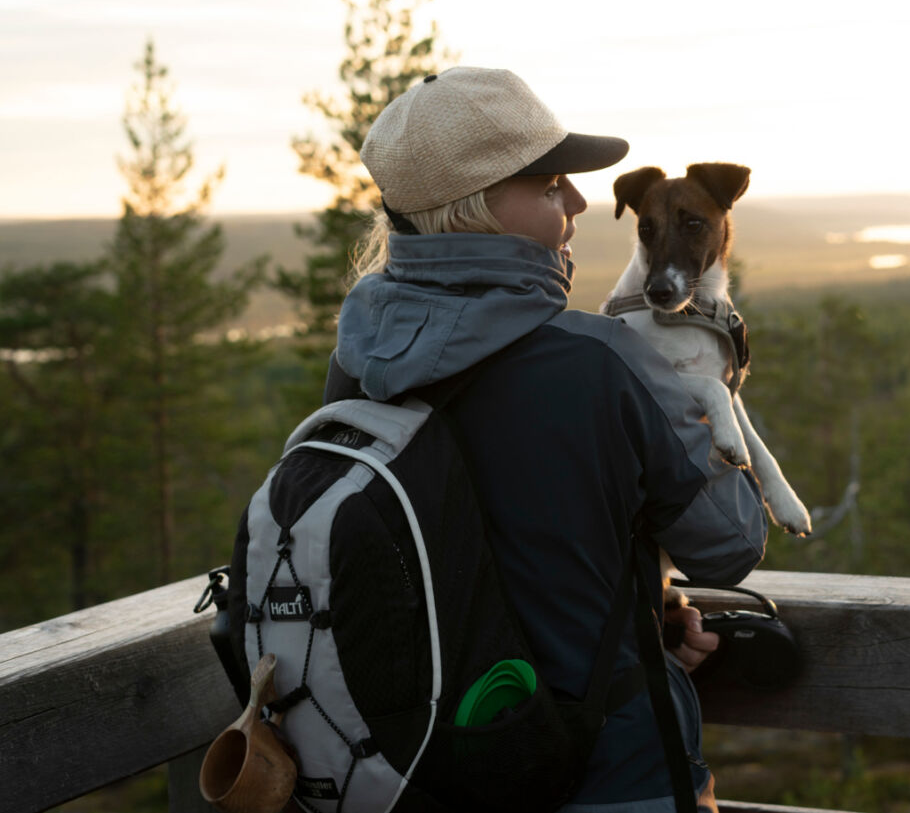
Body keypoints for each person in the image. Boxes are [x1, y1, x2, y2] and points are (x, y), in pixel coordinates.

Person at [324, 66, 767, 812]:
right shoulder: (602, 357)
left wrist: (627, 602)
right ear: (476, 209)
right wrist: (709, 393)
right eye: (551, 183)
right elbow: (730, 544)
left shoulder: (357, 357)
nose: (581, 201)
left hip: (415, 774)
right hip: (606, 774)